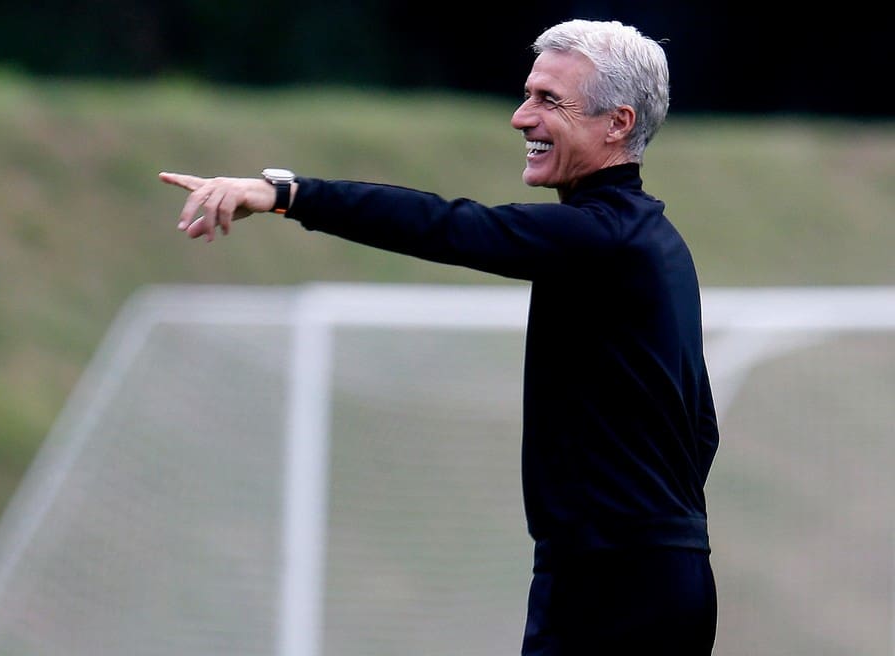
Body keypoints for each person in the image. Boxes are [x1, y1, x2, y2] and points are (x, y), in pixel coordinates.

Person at [160, 18, 719, 655]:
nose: (520, 117)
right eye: (527, 94)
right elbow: (701, 426)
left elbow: (447, 227)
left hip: (616, 585)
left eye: (547, 101)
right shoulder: (650, 242)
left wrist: (288, 194)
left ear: (617, 123)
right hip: (647, 574)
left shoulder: (603, 239)